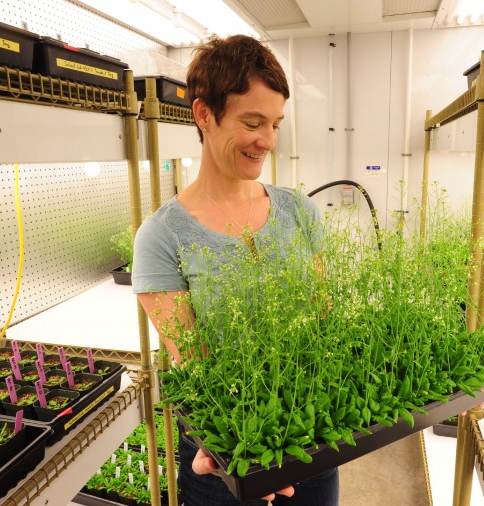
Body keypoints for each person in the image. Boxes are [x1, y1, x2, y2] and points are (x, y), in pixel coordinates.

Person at [133, 35, 339, 506]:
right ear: (204, 114)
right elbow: (194, 361)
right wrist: (242, 449)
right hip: (224, 454)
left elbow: (325, 326)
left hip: (312, 437)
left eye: (275, 124)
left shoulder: (299, 213)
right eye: (252, 122)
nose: (266, 140)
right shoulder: (163, 237)